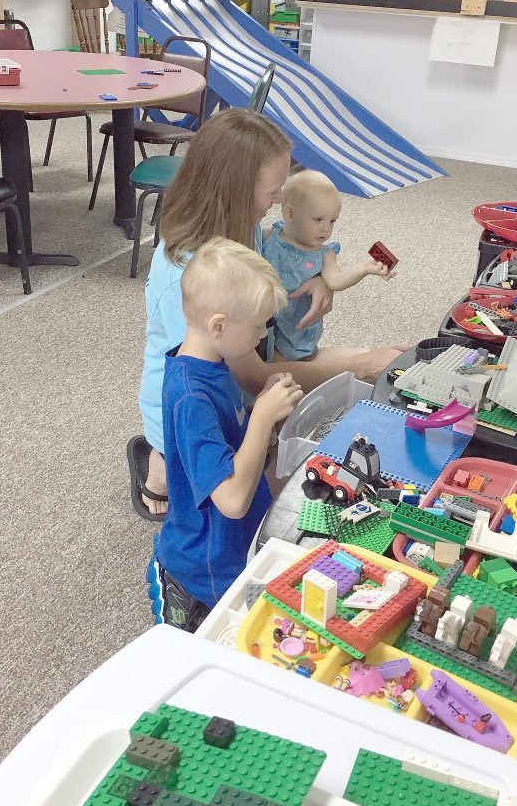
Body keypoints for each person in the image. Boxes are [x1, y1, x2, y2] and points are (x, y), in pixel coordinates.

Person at [129, 108, 408, 521]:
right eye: (273, 190)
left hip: (248, 365)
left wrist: (320, 278)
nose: (279, 200)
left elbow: (277, 251)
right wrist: (363, 364)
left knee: (373, 363)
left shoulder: (241, 224)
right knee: (254, 497)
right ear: (234, 191)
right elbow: (252, 377)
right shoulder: (187, 271)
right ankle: (159, 467)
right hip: (200, 402)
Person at [151, 238, 303, 630]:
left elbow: (227, 439)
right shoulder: (190, 396)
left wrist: (259, 408)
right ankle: (176, 595)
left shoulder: (213, 362)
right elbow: (232, 501)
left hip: (235, 543)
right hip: (206, 563)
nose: (263, 335)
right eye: (257, 326)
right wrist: (262, 419)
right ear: (218, 325)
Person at [262, 170, 395, 361]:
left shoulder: (325, 253)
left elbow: (336, 281)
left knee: (293, 362)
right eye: (318, 219)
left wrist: (364, 268)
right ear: (290, 213)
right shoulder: (268, 235)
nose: (326, 228)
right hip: (265, 317)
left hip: (296, 327)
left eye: (332, 221)